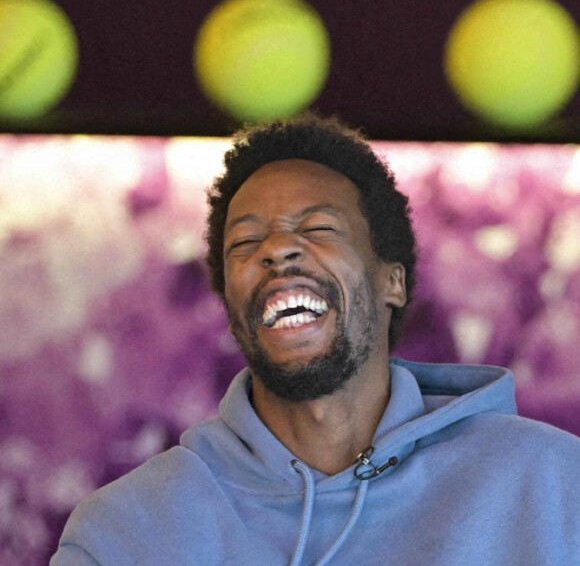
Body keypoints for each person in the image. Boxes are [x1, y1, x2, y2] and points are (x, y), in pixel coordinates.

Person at [52, 114, 580, 565]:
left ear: (392, 281)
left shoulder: (553, 484)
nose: (279, 249)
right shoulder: (123, 535)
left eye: (320, 229)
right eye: (246, 241)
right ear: (231, 306)